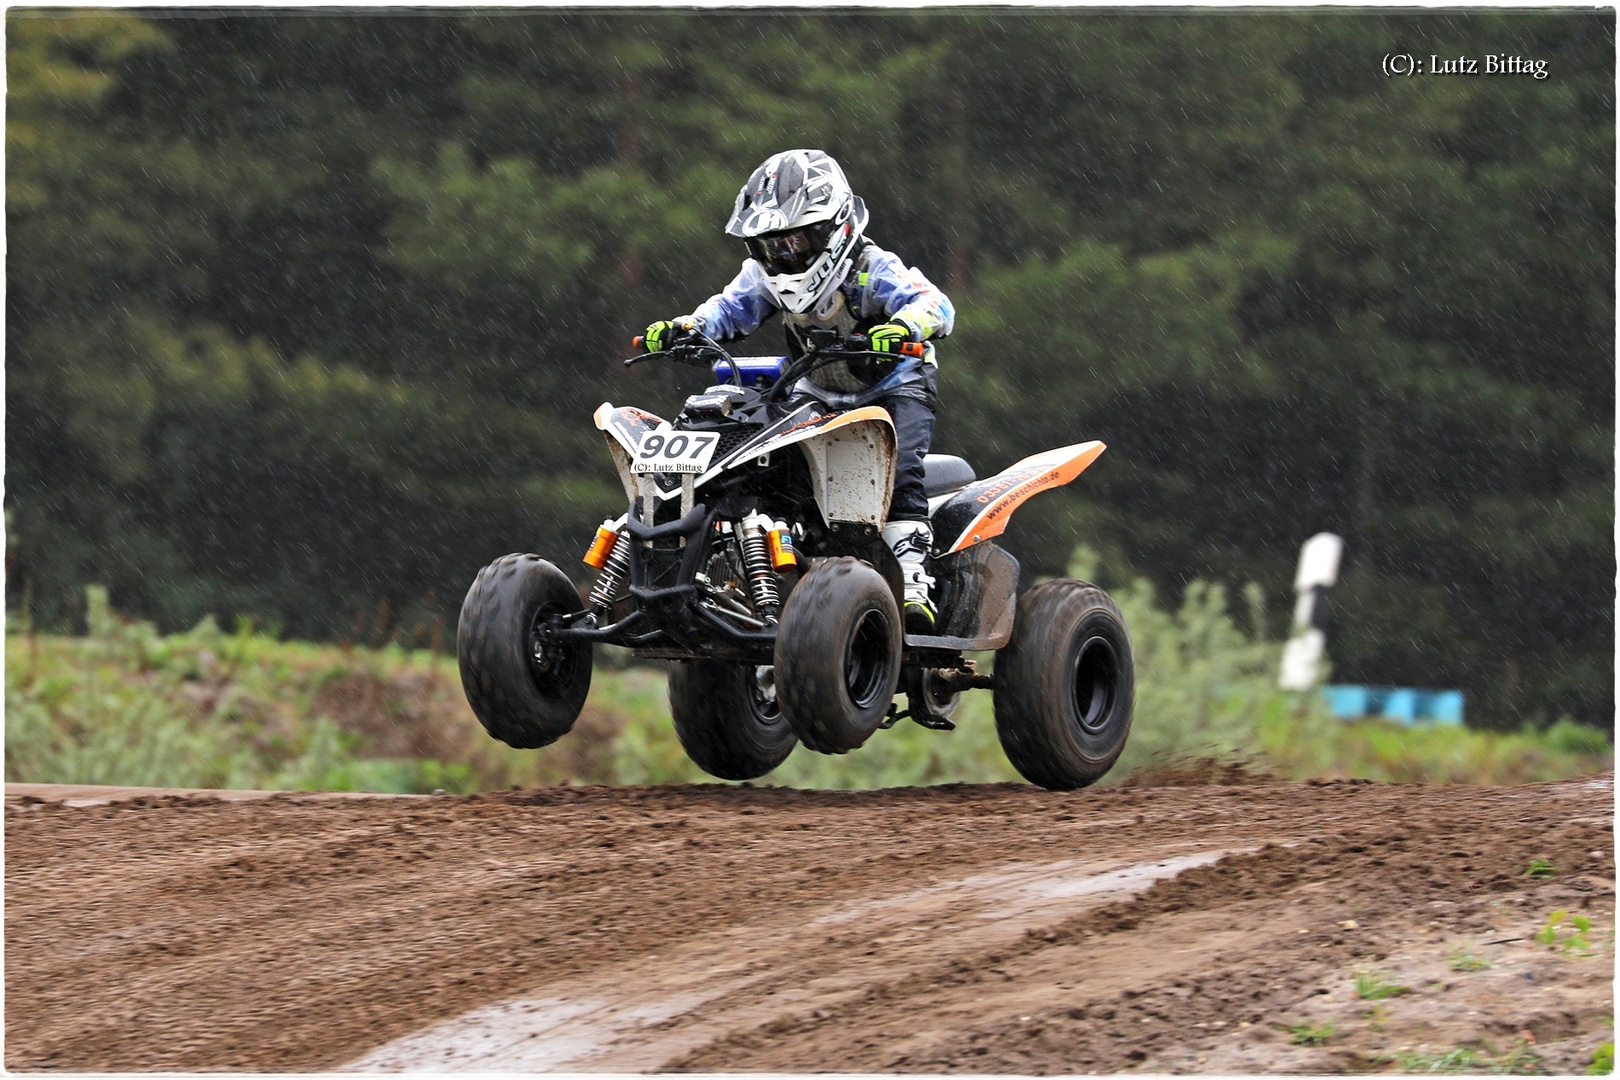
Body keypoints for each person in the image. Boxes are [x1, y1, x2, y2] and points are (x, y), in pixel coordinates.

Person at [641, 149, 955, 634]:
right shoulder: (763, 276)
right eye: (770, 246)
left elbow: (936, 304)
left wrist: (905, 325)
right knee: (773, 471)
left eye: (793, 242)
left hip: (894, 385)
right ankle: (764, 570)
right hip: (815, 387)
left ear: (835, 228)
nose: (782, 257)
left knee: (900, 474)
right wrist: (687, 327)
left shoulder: (871, 267)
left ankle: (914, 584)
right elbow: (728, 309)